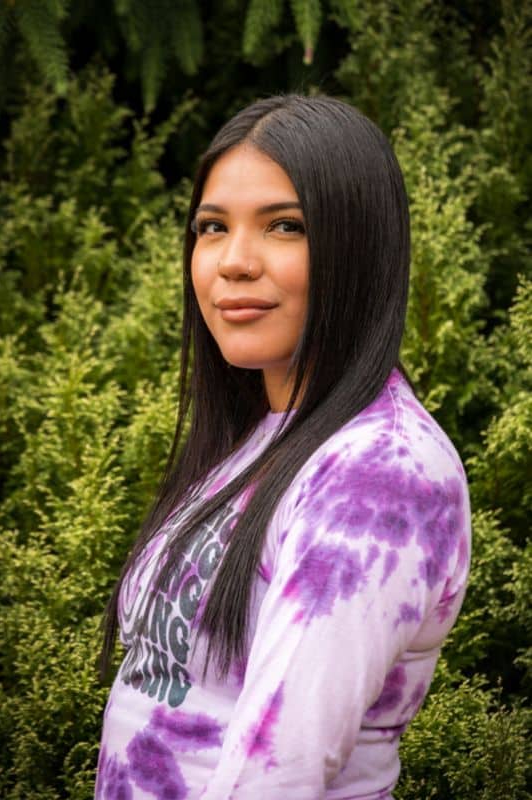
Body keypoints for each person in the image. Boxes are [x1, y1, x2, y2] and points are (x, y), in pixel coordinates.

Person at [95, 94, 471, 800]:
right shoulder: (257, 439)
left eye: (285, 226)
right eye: (212, 227)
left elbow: (280, 770)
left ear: (359, 248)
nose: (233, 262)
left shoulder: (379, 475)